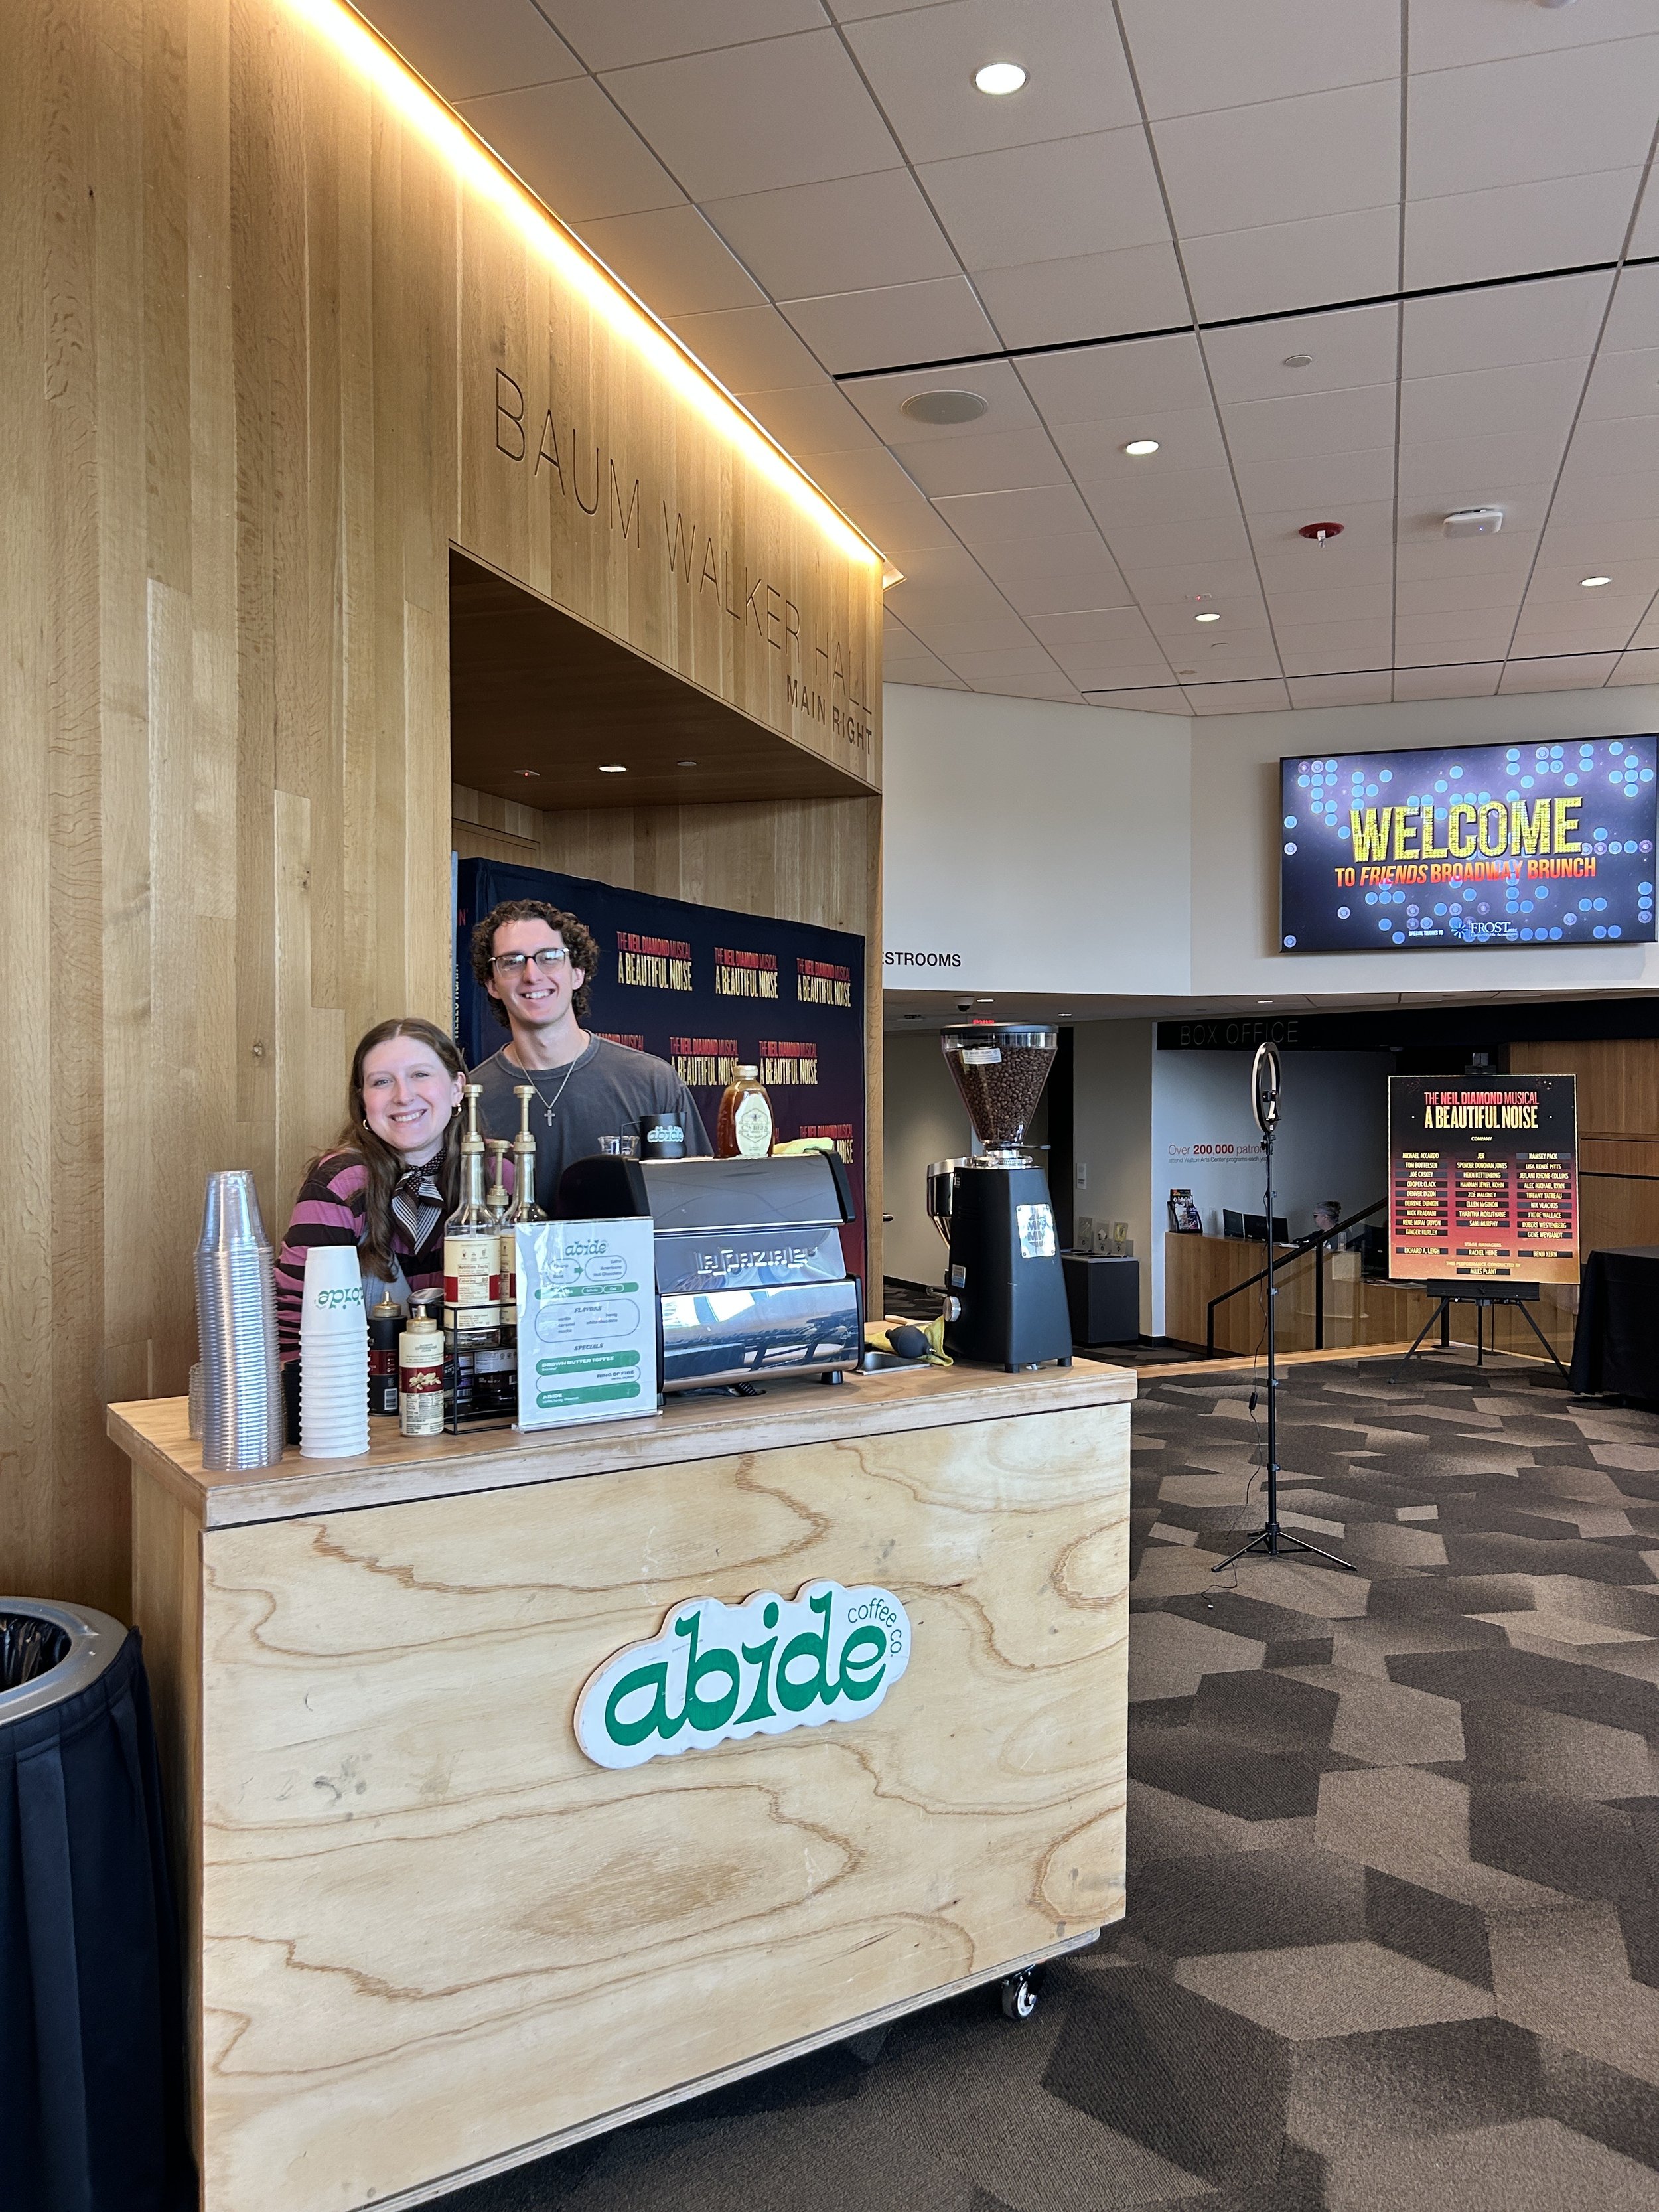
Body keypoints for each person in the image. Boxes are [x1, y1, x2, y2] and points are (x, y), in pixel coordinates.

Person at [469, 897, 709, 1211]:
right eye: (512, 961)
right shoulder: (471, 1100)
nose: (532, 974)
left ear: (577, 973)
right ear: (492, 984)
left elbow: (697, 1205)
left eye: (550, 957)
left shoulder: (652, 1081)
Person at [273, 1017, 469, 1361]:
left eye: (420, 1075)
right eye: (382, 1082)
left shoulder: (499, 1175)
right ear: (363, 1100)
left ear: (457, 1088)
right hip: (357, 1400)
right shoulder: (342, 1182)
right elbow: (291, 1323)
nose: (404, 1096)